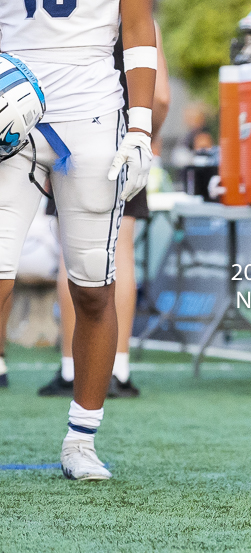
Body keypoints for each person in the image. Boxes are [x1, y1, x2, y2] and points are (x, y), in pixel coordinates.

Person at [0, 0, 157, 480]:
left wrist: (141, 127)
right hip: (9, 103)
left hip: (91, 110)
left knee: (92, 287)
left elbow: (136, 28)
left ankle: (82, 439)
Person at [38, 22, 170, 399]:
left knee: (71, 252)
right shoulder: (132, 17)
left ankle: (70, 368)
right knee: (119, 250)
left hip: (66, 133)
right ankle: (118, 367)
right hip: (113, 134)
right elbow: (160, 97)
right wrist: (143, 137)